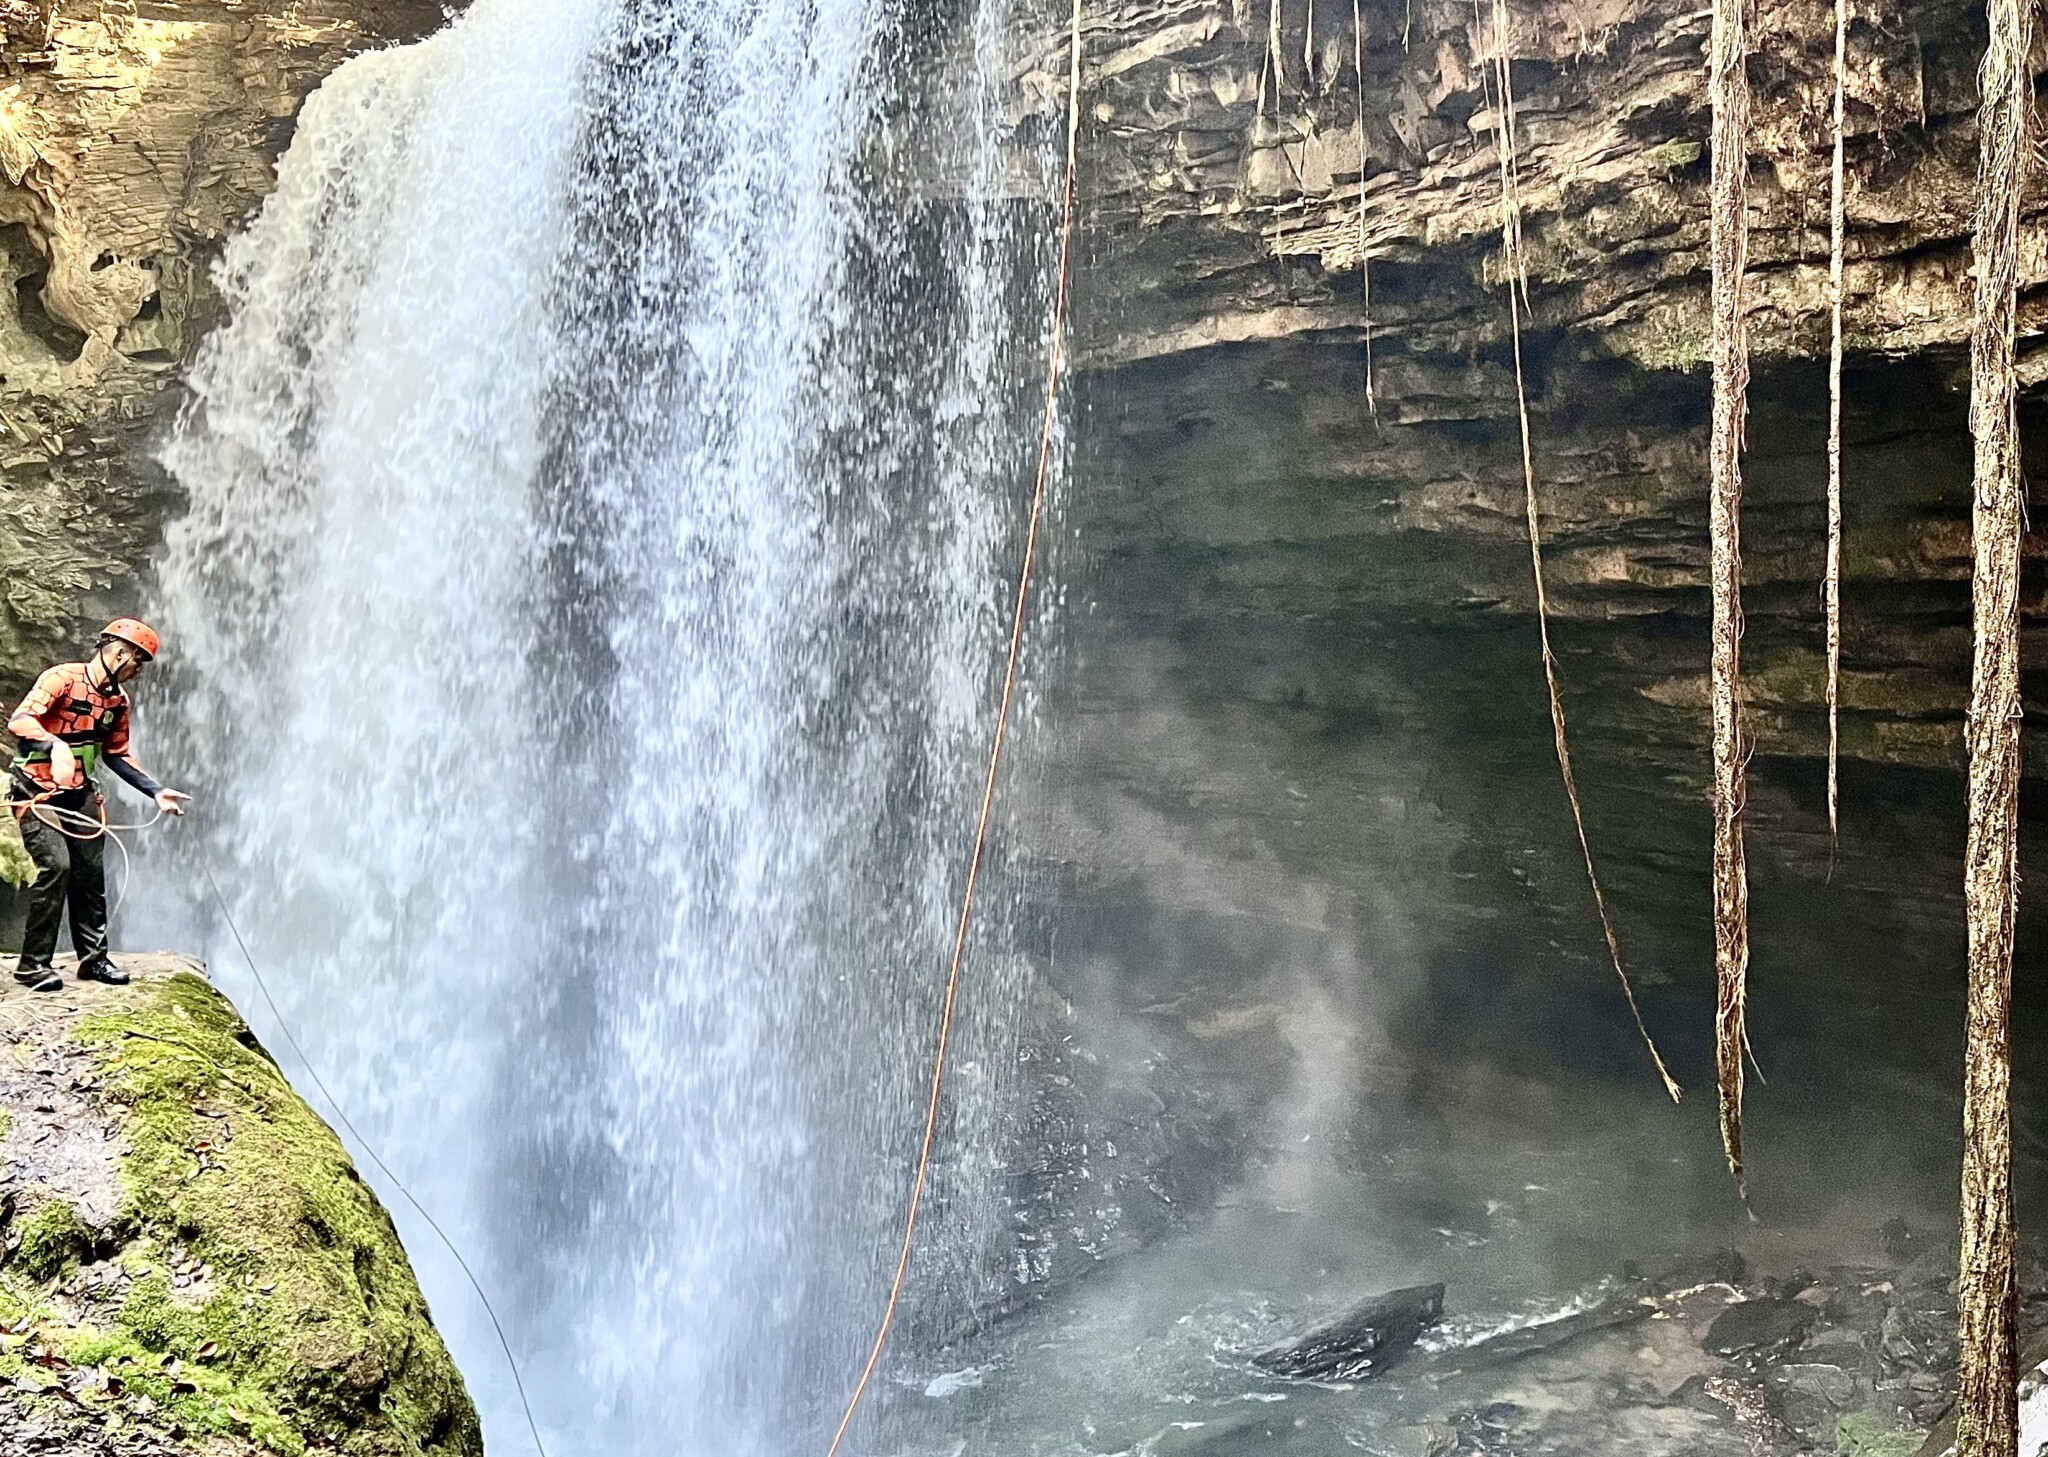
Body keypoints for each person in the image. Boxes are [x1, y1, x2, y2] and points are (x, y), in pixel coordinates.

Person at [6, 619, 189, 990]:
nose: (139, 670)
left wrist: (155, 791)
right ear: (119, 653)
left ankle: (94, 960)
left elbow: (116, 753)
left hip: (80, 792)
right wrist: (54, 745)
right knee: (57, 866)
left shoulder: (118, 702)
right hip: (35, 791)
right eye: (138, 661)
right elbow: (20, 720)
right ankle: (32, 965)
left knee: (90, 873)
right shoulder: (61, 679)